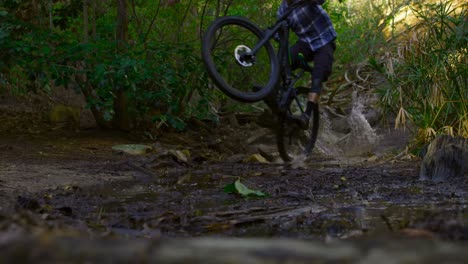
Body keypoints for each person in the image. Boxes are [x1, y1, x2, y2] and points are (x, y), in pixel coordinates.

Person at [278, 0, 337, 127]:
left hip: (324, 41)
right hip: (305, 45)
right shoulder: (282, 9)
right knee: (282, 63)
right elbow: (281, 33)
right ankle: (283, 99)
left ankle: (307, 115)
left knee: (317, 77)